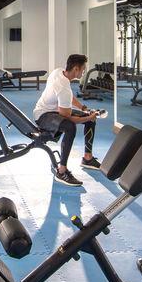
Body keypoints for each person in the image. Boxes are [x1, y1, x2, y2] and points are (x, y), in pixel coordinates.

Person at [34, 54, 104, 187]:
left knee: (89, 120)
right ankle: (62, 171)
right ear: (76, 69)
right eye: (83, 69)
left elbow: (68, 97)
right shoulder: (63, 86)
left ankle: (87, 158)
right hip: (43, 115)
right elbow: (67, 117)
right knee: (70, 127)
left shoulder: (59, 72)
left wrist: (84, 109)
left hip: (54, 110)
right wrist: (88, 117)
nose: (83, 72)